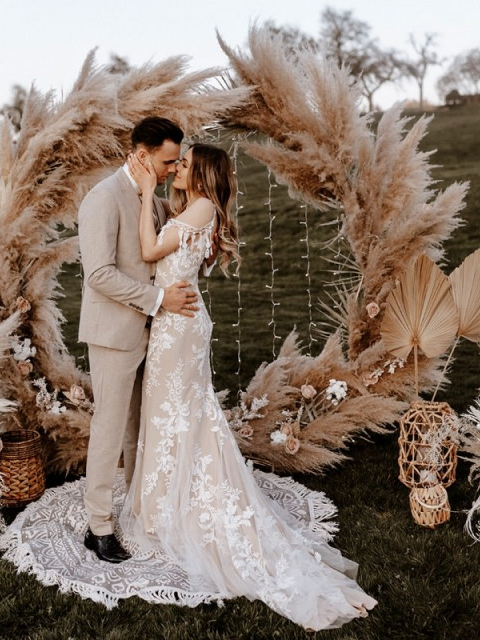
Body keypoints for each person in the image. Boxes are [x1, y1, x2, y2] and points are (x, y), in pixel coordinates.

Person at [120, 143, 377, 631]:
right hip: (180, 323)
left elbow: (149, 251)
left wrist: (145, 192)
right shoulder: (200, 209)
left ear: (200, 174)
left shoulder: (197, 208)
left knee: (175, 415)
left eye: (183, 163)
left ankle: (170, 508)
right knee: (182, 417)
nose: (175, 168)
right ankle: (165, 500)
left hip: (178, 329)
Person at [77, 116, 200, 563]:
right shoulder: (102, 199)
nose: (172, 169)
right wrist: (158, 298)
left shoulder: (156, 197)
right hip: (113, 334)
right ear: (142, 155)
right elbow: (99, 275)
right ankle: (98, 528)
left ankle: (135, 509)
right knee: (109, 431)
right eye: (167, 161)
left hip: (156, 334)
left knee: (138, 428)